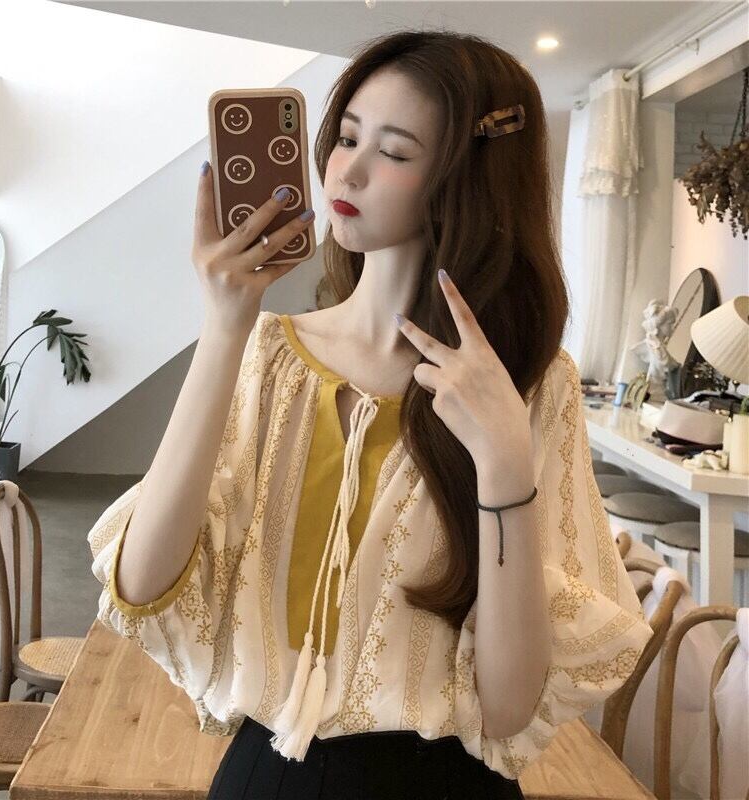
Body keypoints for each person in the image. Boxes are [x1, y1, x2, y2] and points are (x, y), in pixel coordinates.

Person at [88, 29, 654, 800]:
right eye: (347, 137)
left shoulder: (528, 384)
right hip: (268, 777)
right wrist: (224, 327)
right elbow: (140, 585)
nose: (346, 170)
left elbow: (509, 707)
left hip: (444, 786)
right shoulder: (267, 352)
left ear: (466, 179)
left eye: (392, 151)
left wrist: (503, 463)